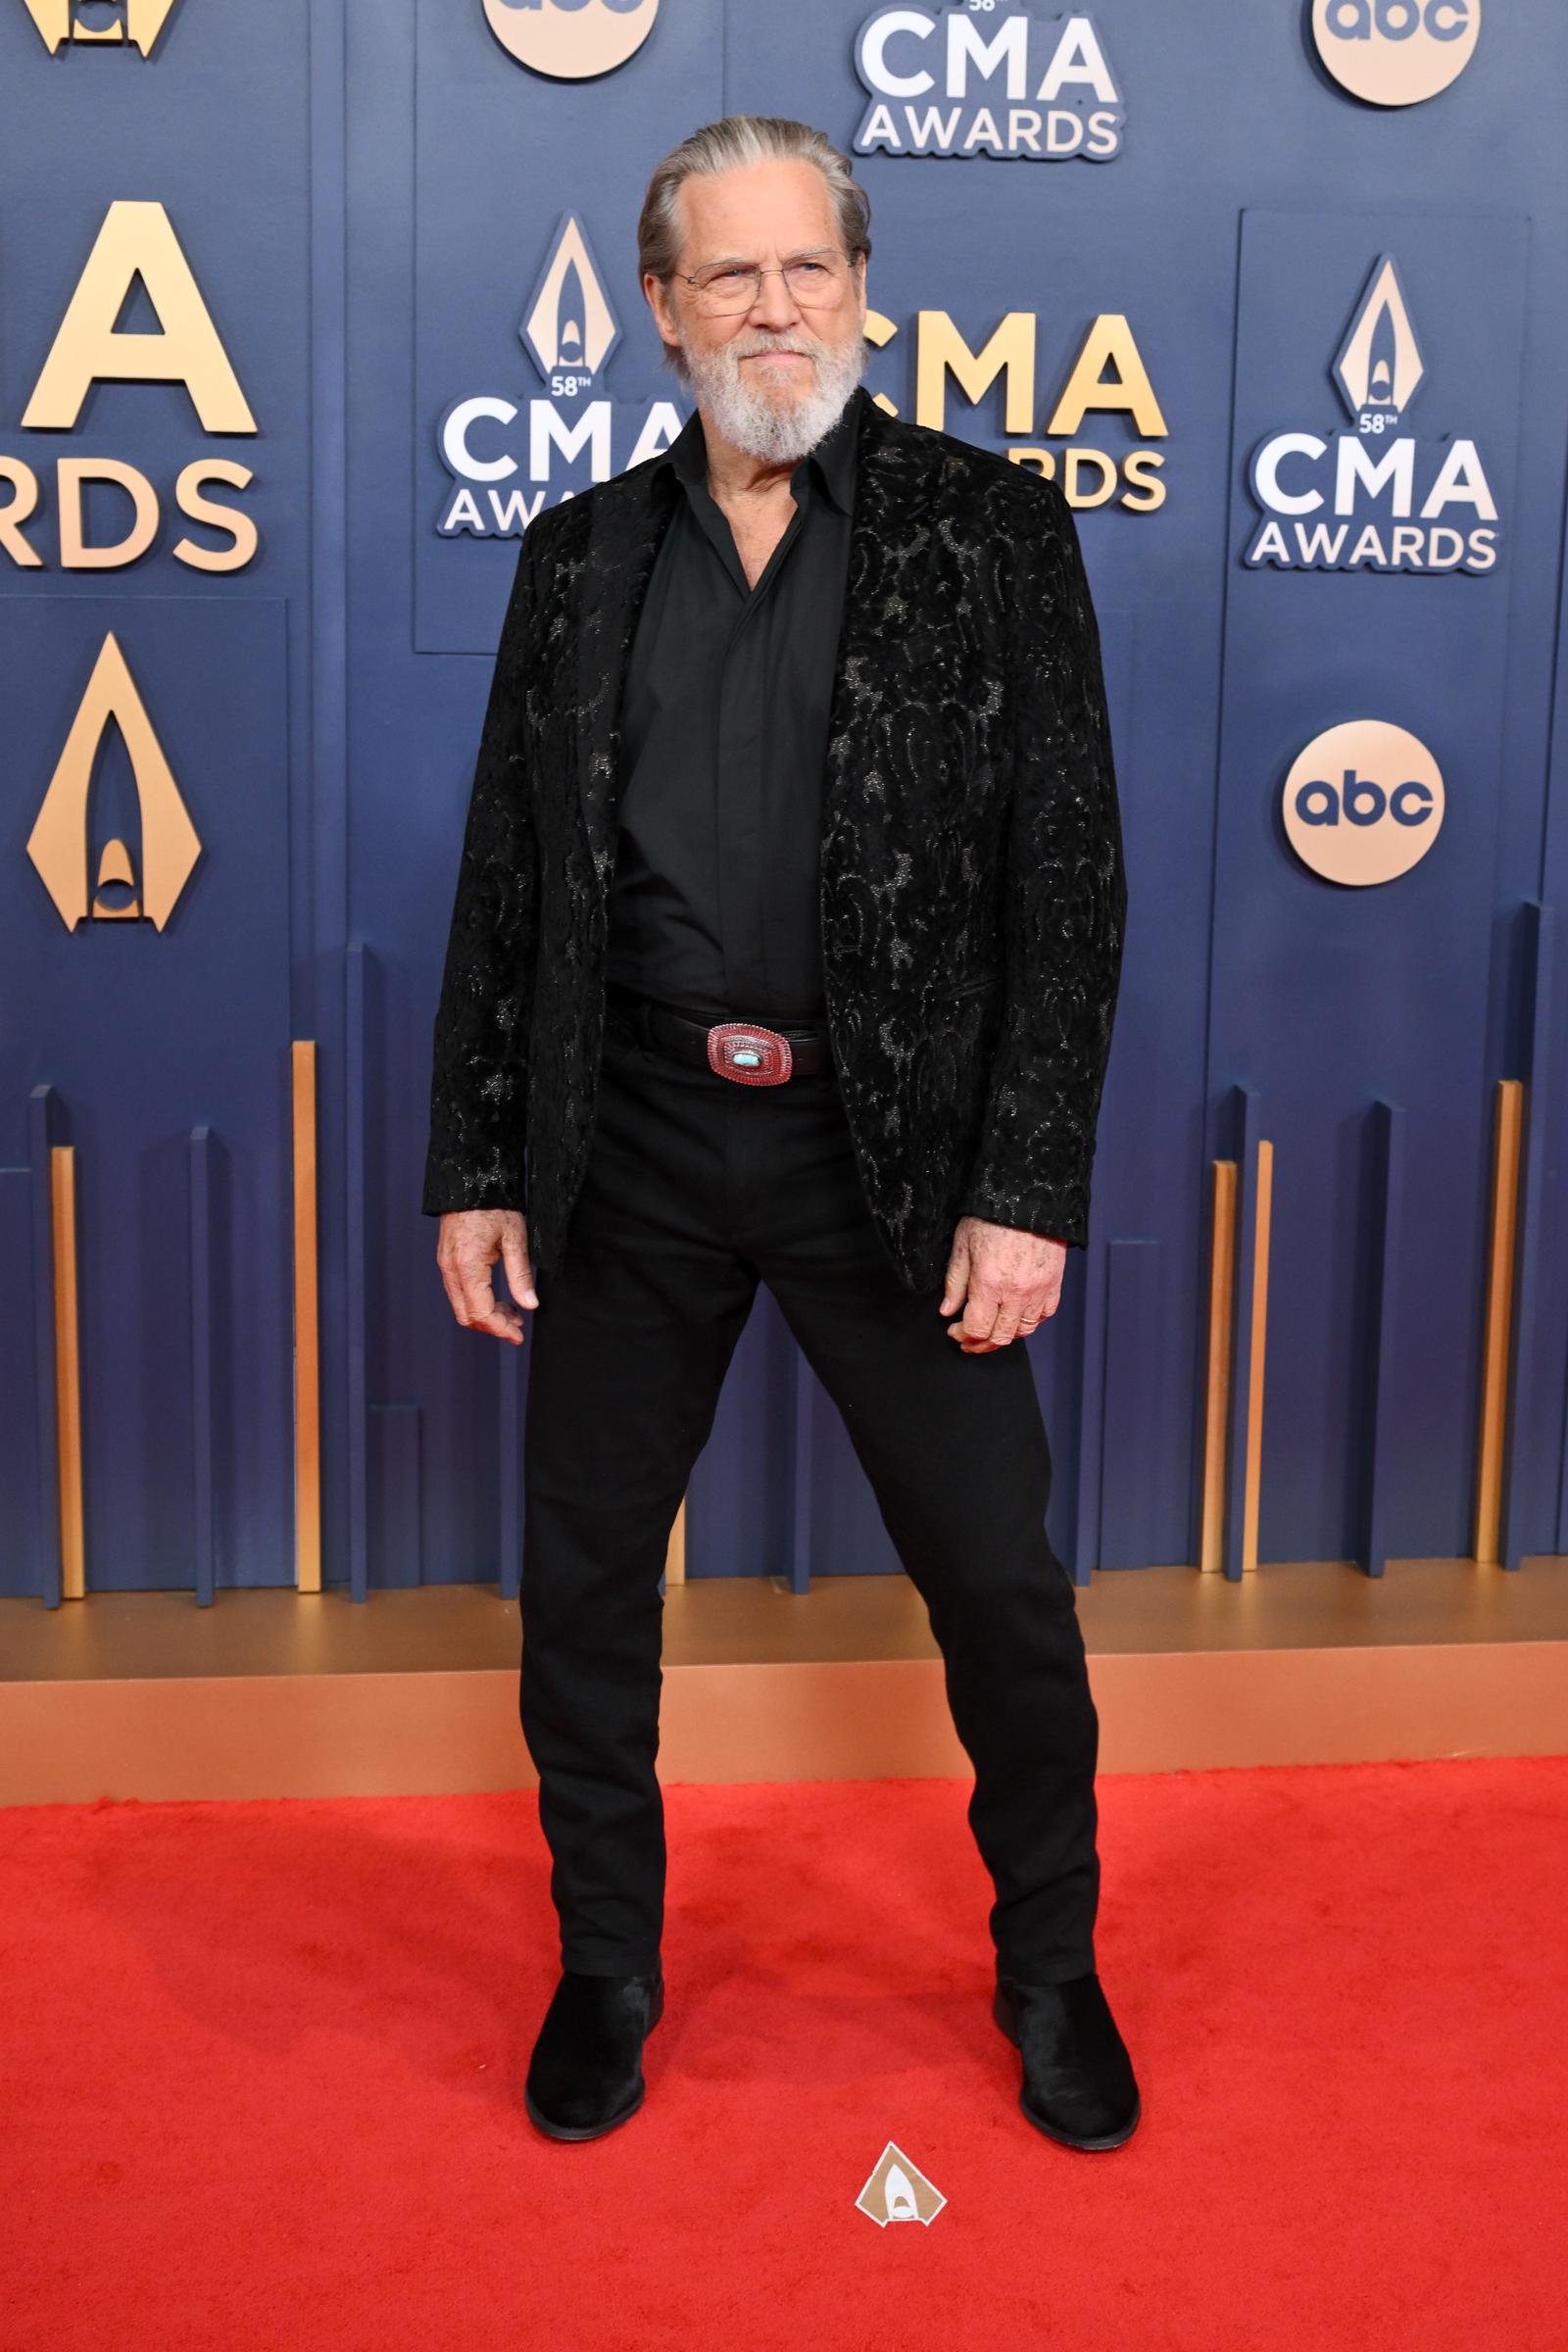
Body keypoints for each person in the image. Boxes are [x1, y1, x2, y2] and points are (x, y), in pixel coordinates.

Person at [421, 115, 1134, 2151]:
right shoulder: (577, 558)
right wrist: (476, 1158)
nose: (770, 308)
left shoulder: (989, 535)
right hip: (629, 1139)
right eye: (725, 276)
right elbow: (507, 882)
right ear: (658, 312)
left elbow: (1065, 884)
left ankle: (1050, 1968)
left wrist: (1024, 1186)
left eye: (803, 267)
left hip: (890, 1165)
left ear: (861, 285)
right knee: (578, 1590)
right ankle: (605, 1968)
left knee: (997, 1585)